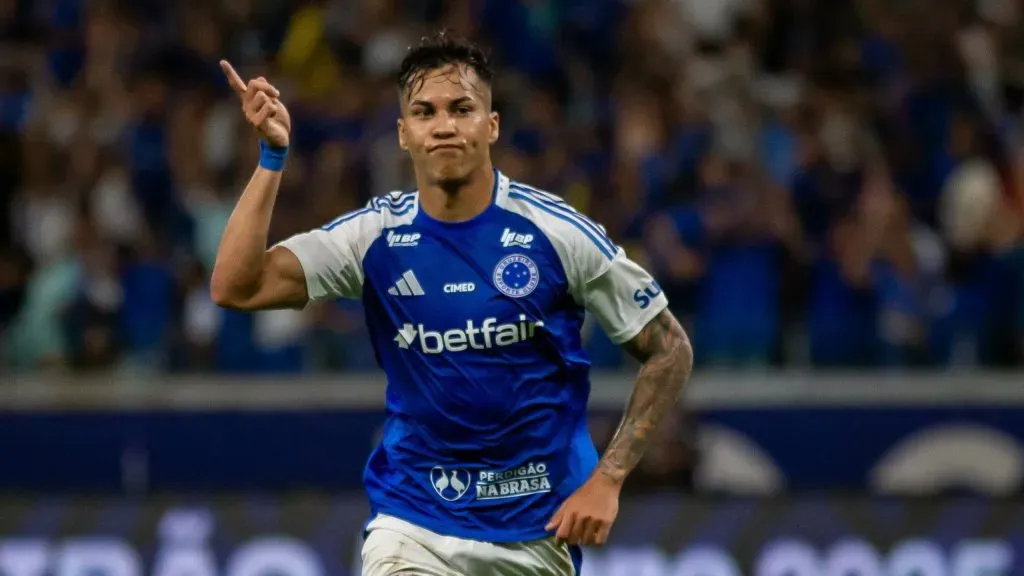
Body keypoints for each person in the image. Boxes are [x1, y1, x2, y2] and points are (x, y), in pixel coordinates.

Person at [211, 31, 694, 576]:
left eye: (462, 109)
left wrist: (608, 479)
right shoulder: (376, 236)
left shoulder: (557, 233)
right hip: (412, 524)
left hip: (534, 533)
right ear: (403, 133)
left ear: (491, 126)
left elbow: (670, 349)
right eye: (425, 112)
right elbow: (237, 286)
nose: (443, 125)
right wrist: (273, 156)